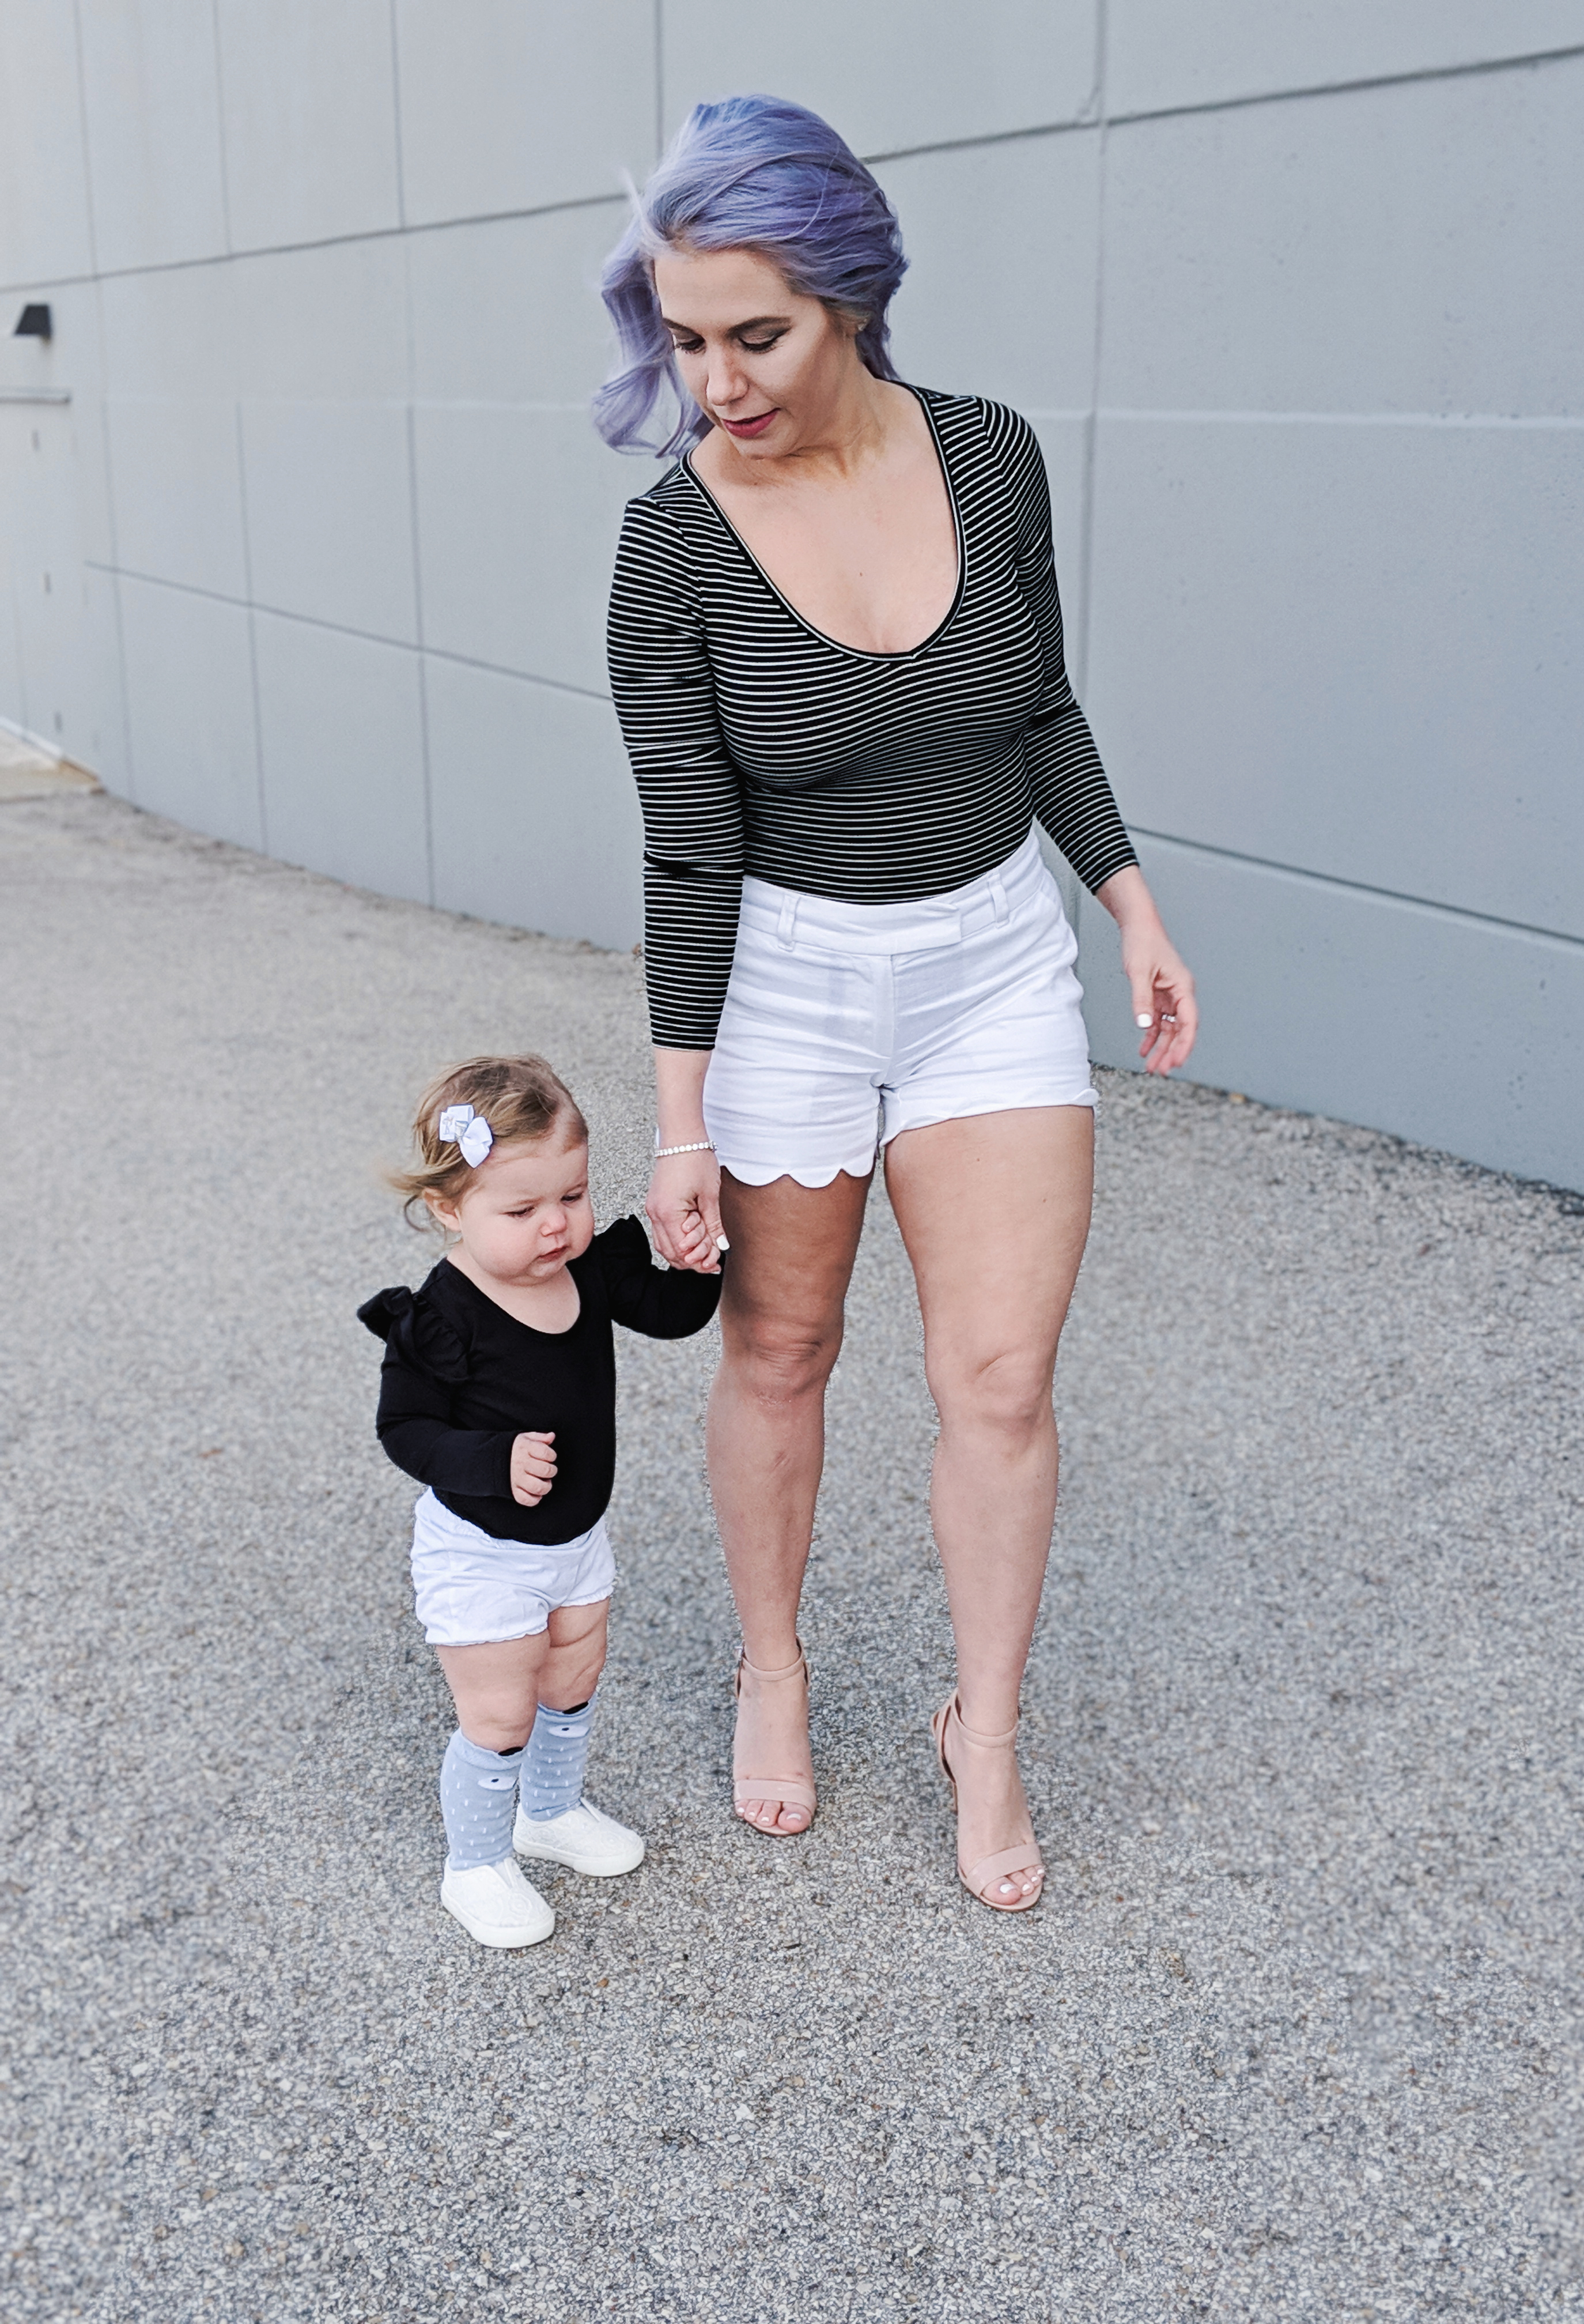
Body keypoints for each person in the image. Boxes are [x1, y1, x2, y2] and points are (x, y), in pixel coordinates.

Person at [595, 98, 1197, 1913]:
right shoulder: (670, 551)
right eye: (682, 339)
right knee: (780, 1352)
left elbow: (1040, 710)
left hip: (989, 967)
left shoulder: (992, 455)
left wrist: (1129, 906)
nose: (714, 382)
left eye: (751, 335)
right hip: (784, 980)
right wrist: (679, 1124)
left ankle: (982, 1728)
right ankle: (770, 1667)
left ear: (852, 295)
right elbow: (689, 853)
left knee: (998, 1382)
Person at [358, 1055, 721, 1948]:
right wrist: (488, 1458)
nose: (555, 1226)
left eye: (573, 1194)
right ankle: (474, 1864)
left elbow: (672, 1315)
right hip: (482, 1550)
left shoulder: (584, 1267)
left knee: (571, 1679)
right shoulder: (442, 1315)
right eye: (520, 1211)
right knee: (499, 1712)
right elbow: (404, 1429)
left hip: (575, 1540)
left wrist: (706, 1258)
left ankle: (548, 1814)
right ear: (450, 1209)